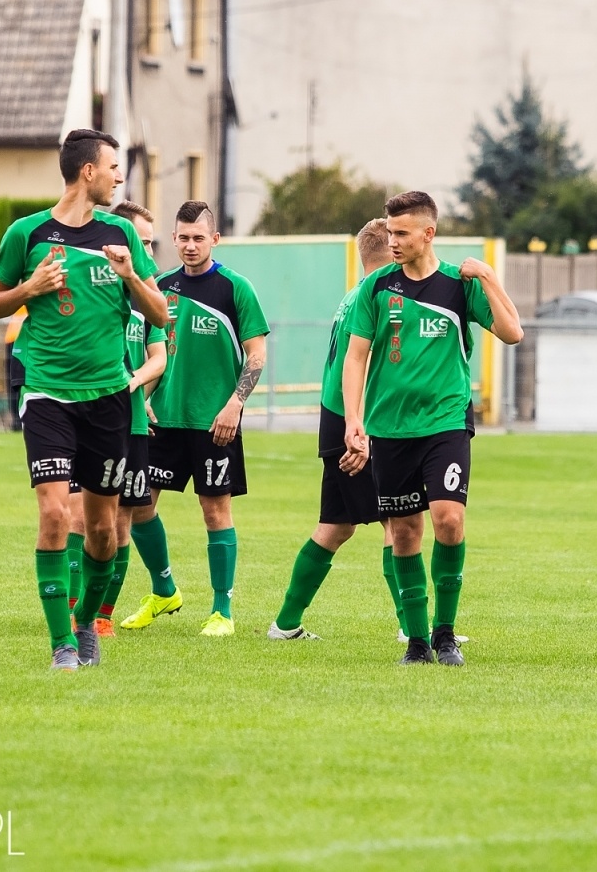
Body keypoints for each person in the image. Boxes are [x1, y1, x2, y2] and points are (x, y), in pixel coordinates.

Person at [0, 129, 167, 671]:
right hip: (47, 395)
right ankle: (62, 642)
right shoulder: (27, 233)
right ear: (88, 171)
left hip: (107, 398)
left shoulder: (120, 235)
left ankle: (87, 620)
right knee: (54, 514)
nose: (118, 177)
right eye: (114, 168)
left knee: (105, 531)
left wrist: (131, 276)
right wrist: (28, 290)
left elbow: (159, 316)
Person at [341, 191, 523, 666]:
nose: (393, 240)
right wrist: (355, 421)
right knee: (404, 533)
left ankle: (445, 634)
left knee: (449, 519)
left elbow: (512, 332)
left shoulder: (458, 285)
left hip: (445, 422)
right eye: (390, 230)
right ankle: (417, 643)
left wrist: (487, 275)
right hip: (390, 427)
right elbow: (356, 355)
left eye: (401, 232)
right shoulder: (377, 287)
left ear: (429, 233)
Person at [130, 201, 269, 639]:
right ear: (173, 239)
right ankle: (164, 589)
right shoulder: (161, 287)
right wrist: (147, 397)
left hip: (215, 423)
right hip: (163, 419)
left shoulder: (235, 288)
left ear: (215, 239)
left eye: (198, 238)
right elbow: (157, 353)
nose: (190, 246)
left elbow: (258, 353)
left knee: (215, 512)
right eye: (183, 238)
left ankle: (222, 611)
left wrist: (235, 404)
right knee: (138, 506)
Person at [269, 219, 407, 642]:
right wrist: (360, 429)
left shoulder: (352, 296)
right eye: (398, 238)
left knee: (336, 525)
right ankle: (412, 628)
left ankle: (285, 624)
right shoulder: (379, 296)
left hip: (338, 419)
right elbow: (360, 365)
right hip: (356, 422)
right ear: (388, 249)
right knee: (397, 523)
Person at [87, 201, 168, 638]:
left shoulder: (147, 301)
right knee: (74, 518)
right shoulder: (91, 290)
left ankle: (101, 612)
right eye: (143, 242)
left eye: (152, 244)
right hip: (84, 414)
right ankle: (73, 604)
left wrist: (133, 383)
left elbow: (160, 357)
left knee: (118, 521)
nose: (148, 253)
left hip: (131, 422)